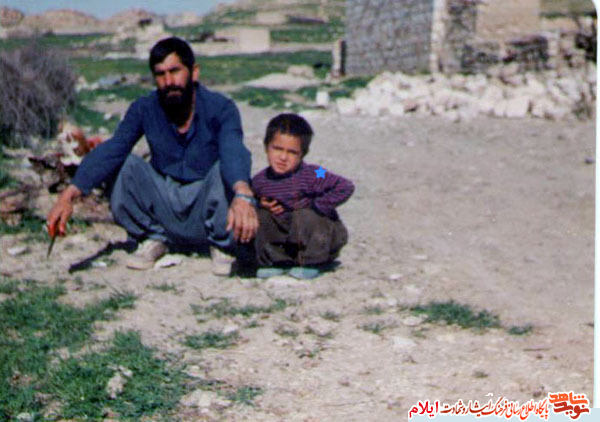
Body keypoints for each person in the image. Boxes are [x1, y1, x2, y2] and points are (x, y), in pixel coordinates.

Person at [46, 37, 258, 275]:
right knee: (124, 163)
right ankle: (153, 239)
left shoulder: (221, 108)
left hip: (206, 205)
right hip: (164, 203)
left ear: (194, 72)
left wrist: (243, 193)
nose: (169, 81)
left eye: (175, 71)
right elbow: (113, 149)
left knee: (226, 169)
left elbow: (233, 149)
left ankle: (220, 244)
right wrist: (68, 195)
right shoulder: (144, 108)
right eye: (160, 74)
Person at [252, 113, 354, 279]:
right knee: (259, 216)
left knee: (305, 215)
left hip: (319, 238)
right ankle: (277, 262)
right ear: (266, 147)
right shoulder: (259, 180)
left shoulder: (314, 173)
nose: (283, 157)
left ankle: (313, 262)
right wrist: (260, 204)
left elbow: (345, 186)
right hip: (288, 239)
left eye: (292, 152)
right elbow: (250, 199)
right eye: (277, 149)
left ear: (303, 154)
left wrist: (317, 205)